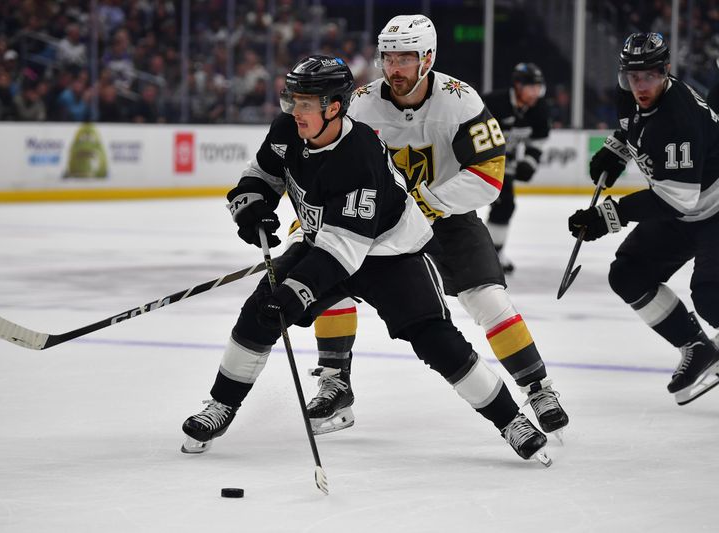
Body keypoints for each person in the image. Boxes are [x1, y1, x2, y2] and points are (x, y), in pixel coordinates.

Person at [181, 55, 551, 465]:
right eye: (293, 100)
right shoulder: (288, 130)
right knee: (260, 312)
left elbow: (345, 249)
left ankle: (511, 420)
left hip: (391, 253)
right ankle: (220, 405)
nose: (294, 111)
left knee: (437, 342)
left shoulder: (360, 155)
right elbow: (264, 172)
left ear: (334, 107)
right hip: (326, 242)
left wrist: (298, 290)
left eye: (306, 103)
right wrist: (252, 204)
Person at [300, 15, 569, 442]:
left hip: (446, 220)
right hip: (380, 222)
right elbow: (324, 162)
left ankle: (537, 388)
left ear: (428, 58)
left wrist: (426, 203)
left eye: (405, 58)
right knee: (330, 280)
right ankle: (335, 382)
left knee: (489, 300)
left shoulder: (460, 102)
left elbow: (489, 176)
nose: (394, 68)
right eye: (389, 57)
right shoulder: (362, 103)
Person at [568, 32, 719, 405]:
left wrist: (609, 215)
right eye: (633, 77)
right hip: (687, 208)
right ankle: (696, 346)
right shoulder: (630, 93)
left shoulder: (679, 118)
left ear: (666, 71)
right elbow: (630, 124)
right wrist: (615, 151)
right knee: (628, 274)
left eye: (650, 76)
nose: (641, 86)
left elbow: (675, 200)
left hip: (712, 210)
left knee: (711, 297)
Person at [483, 63, 551, 273]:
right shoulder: (493, 102)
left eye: (538, 88)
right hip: (473, 160)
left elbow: (538, 141)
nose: (535, 93)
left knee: (505, 205)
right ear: (518, 86)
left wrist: (530, 162)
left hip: (503, 164)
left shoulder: (539, 108)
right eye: (531, 87)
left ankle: (492, 255)